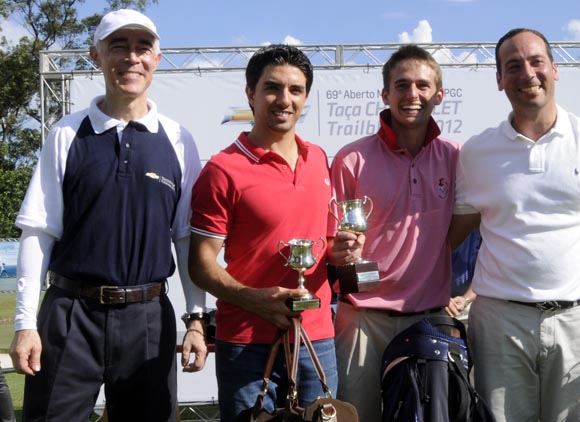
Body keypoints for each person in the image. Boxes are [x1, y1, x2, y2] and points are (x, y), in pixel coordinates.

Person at [8, 9, 207, 421]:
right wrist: (25, 323)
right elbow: (39, 232)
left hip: (149, 319)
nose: (131, 57)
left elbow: (186, 237)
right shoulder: (66, 133)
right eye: (118, 46)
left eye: (142, 47)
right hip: (69, 317)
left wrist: (197, 319)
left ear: (157, 57)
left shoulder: (178, 140)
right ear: (96, 55)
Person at [450, 28, 580, 421]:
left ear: (555, 69)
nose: (527, 74)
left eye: (536, 62)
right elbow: (448, 236)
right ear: (499, 79)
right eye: (513, 66)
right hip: (499, 323)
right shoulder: (476, 152)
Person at [188, 44, 337, 422]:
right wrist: (253, 299)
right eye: (272, 88)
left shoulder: (318, 158)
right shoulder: (223, 170)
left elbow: (327, 246)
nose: (283, 100)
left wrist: (345, 251)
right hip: (247, 342)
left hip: (316, 337)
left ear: (305, 97)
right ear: (250, 94)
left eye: (296, 90)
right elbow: (200, 264)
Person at [327, 44, 460, 421]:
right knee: (356, 416)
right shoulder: (351, 158)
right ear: (385, 94)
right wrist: (341, 252)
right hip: (362, 319)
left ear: (439, 95)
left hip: (429, 319)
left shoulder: (456, 157)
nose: (412, 95)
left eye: (422, 85)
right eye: (401, 86)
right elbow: (330, 244)